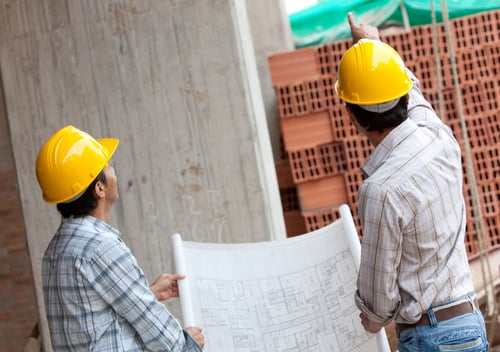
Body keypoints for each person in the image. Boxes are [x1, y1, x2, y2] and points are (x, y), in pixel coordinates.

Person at [335, 13, 489, 351]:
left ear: (351, 116)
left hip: (430, 335)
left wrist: (373, 316)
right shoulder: (440, 138)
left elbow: (379, 303)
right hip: (470, 325)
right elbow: (412, 93)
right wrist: (373, 45)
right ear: (403, 97)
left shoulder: (381, 189)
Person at [35, 125, 204, 351]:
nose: (114, 170)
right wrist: (187, 344)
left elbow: (91, 322)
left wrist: (149, 293)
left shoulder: (53, 252)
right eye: (108, 165)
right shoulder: (100, 247)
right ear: (99, 188)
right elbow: (160, 334)